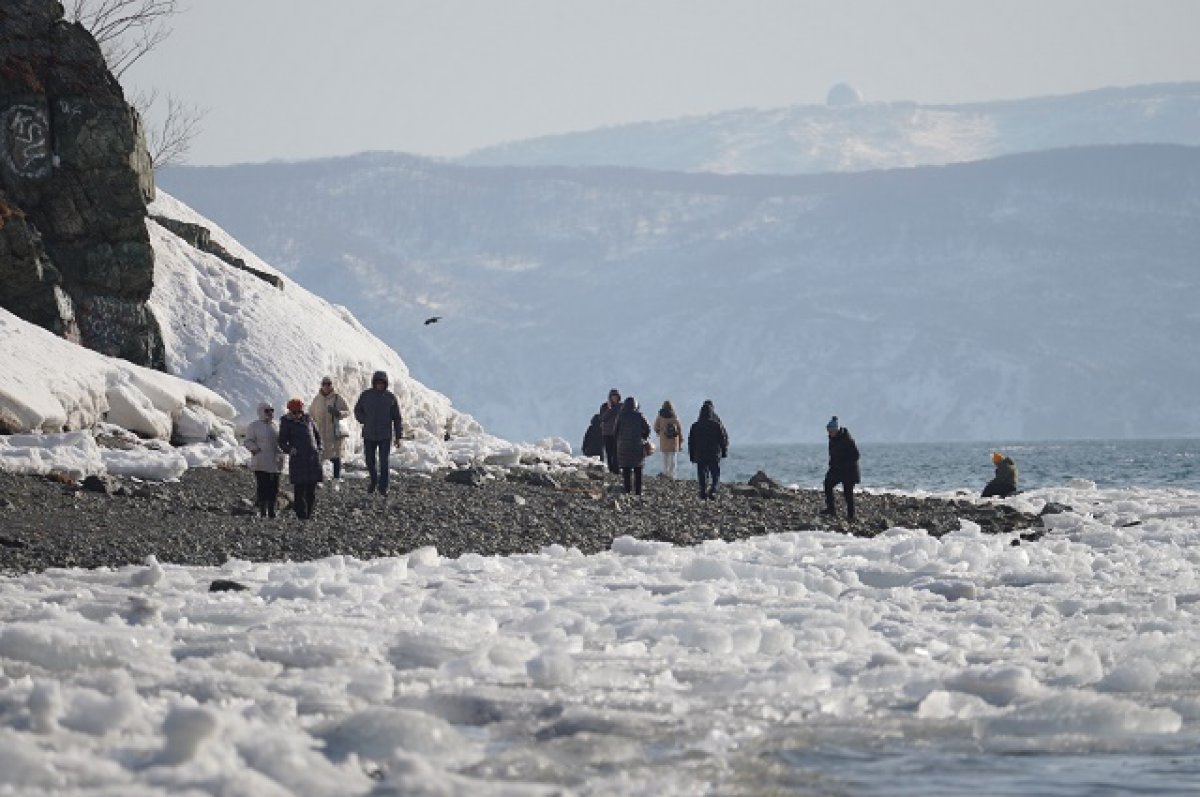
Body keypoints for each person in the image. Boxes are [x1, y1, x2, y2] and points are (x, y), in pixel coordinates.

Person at [354, 370, 403, 499]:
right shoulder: (366, 395)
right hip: (369, 434)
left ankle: (383, 487)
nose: (380, 384)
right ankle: (374, 480)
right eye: (377, 382)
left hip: (385, 435)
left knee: (384, 462)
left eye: (382, 382)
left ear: (385, 383)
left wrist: (398, 437)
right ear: (374, 382)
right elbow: (357, 409)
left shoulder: (390, 398)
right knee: (369, 461)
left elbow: (397, 418)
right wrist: (363, 419)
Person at [278, 397, 323, 520]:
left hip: (312, 459)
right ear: (290, 411)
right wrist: (290, 449)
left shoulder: (308, 419)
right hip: (298, 459)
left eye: (299, 411)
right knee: (299, 489)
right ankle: (301, 515)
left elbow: (317, 435)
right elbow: (282, 441)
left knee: (311, 489)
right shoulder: (286, 422)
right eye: (294, 412)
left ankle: (309, 513)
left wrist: (319, 447)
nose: (297, 414)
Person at [243, 401, 285, 518]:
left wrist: (282, 454)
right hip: (261, 461)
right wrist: (255, 449)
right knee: (262, 486)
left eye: (272, 411)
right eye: (267, 411)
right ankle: (262, 511)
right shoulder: (254, 426)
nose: (270, 413)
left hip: (275, 461)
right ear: (261, 411)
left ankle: (271, 511)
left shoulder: (276, 425)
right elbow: (247, 441)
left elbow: (281, 441)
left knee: (274, 487)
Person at [309, 375, 351, 485]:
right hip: (320, 433)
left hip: (334, 433)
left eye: (329, 384)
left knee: (335, 456)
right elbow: (311, 415)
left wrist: (339, 413)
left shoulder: (337, 398)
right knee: (319, 457)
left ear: (332, 385)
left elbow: (347, 411)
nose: (326, 386)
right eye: (324, 384)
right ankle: (319, 479)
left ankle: (336, 479)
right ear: (321, 385)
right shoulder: (317, 399)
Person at [821, 416, 860, 522]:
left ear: (836, 430)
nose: (829, 433)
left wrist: (844, 463)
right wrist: (832, 464)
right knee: (827, 484)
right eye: (828, 431)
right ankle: (831, 509)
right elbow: (833, 455)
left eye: (830, 431)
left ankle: (851, 516)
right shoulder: (832, 440)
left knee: (848, 493)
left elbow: (856, 455)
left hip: (849, 471)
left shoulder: (847, 439)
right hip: (837, 469)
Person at [688, 401, 729, 500]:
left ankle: (702, 491)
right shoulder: (716, 425)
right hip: (713, 454)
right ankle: (714, 490)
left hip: (700, 455)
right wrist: (724, 452)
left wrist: (692, 456)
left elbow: (691, 442)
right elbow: (722, 440)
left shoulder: (695, 426)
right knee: (715, 474)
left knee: (702, 473)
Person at [613, 396, 651, 495]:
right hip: (637, 445)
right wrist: (643, 436)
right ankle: (638, 491)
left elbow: (615, 431)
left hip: (623, 446)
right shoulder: (639, 416)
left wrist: (619, 440)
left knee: (626, 469)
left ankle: (627, 490)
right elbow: (647, 429)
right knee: (638, 469)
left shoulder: (621, 416)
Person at [653, 400, 683, 479]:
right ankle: (672, 475)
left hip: (663, 440)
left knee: (664, 458)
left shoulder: (660, 416)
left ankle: (665, 473)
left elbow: (655, 427)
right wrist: (681, 439)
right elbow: (679, 428)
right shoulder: (674, 416)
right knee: (672, 458)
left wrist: (660, 432)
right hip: (673, 440)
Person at [599, 389, 622, 474]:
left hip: (617, 433)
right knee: (609, 452)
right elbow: (602, 419)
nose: (614, 398)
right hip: (607, 433)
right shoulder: (604, 406)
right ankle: (611, 469)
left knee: (616, 452)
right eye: (613, 397)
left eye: (616, 397)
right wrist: (609, 410)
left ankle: (617, 469)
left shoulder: (621, 406)